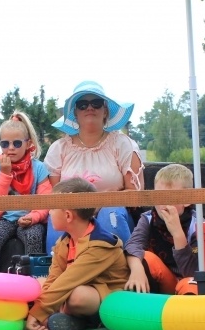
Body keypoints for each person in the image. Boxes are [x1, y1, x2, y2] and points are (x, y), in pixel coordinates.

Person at [44, 80, 143, 253]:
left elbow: (135, 195)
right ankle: (58, 272)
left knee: (110, 213)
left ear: (105, 110)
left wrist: (97, 204)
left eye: (96, 103)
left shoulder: (123, 144)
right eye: (82, 104)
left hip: (112, 213)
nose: (90, 108)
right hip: (70, 213)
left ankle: (118, 271)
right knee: (58, 217)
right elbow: (53, 195)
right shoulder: (58, 149)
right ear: (75, 112)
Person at [25, 178, 130, 330]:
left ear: (68, 216)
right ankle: (68, 320)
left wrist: (36, 313)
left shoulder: (100, 244)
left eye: (52, 208)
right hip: (74, 288)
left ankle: (88, 321)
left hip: (105, 296)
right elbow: (54, 278)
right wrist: (41, 312)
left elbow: (67, 281)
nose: (49, 212)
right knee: (39, 283)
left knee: (76, 296)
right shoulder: (64, 242)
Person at [0, 111, 51, 272]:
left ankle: (35, 280)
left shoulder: (38, 168)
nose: (11, 148)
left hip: (30, 219)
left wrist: (33, 217)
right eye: (5, 144)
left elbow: (46, 200)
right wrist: (5, 174)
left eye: (17, 143)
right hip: (4, 218)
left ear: (28, 144)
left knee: (34, 236)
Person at [124, 164, 198, 294]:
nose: (162, 204)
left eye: (169, 198)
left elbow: (194, 272)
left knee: (190, 284)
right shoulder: (148, 218)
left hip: (188, 283)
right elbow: (132, 245)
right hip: (163, 282)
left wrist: (177, 233)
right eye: (158, 196)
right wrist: (137, 270)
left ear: (187, 200)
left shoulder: (196, 225)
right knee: (146, 258)